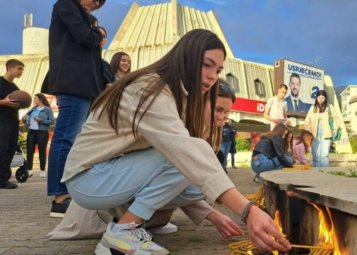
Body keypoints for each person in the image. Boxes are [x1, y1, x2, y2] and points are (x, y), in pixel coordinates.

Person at [59, 29, 290, 255]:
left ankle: (134, 224)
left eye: (218, 70)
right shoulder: (150, 89)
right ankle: (121, 235)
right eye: (206, 65)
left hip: (108, 176)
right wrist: (248, 210)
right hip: (88, 180)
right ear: (186, 57)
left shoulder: (177, 95)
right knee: (187, 156)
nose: (212, 77)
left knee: (195, 176)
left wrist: (214, 214)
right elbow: (186, 154)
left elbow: (191, 171)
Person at [48, 77, 241, 241]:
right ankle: (124, 229)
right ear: (200, 101)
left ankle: (144, 221)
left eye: (226, 113)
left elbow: (179, 182)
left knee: (198, 176)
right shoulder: (169, 115)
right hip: (101, 205)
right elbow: (177, 167)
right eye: (218, 110)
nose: (222, 118)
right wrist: (242, 210)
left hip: (120, 192)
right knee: (188, 161)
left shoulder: (203, 130)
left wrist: (214, 215)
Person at [47, 0, 106, 217]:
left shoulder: (82, 15)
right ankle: (60, 196)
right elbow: (84, 37)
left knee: (74, 140)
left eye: (100, 3)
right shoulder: (66, 4)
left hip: (84, 85)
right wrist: (97, 33)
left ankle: (68, 192)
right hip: (73, 83)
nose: (96, 3)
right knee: (65, 139)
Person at [0, 59, 25, 189]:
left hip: (13, 122)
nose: (21, 72)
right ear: (10, 68)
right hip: (2, 122)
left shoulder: (15, 88)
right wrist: (3, 102)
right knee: (2, 149)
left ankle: (4, 179)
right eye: (19, 69)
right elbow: (5, 102)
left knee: (10, 150)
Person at [22, 94, 55, 178]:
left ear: (40, 100)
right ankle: (29, 170)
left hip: (42, 132)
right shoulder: (33, 109)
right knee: (29, 151)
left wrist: (41, 120)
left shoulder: (47, 109)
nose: (34, 100)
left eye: (35, 99)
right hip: (31, 132)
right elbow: (27, 119)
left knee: (41, 152)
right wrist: (24, 120)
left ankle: (42, 170)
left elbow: (52, 121)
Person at [304, 90, 338, 167]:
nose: (321, 99)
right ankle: (317, 173)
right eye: (319, 97)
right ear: (316, 98)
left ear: (325, 98)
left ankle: (325, 172)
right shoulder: (313, 107)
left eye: (323, 98)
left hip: (326, 132)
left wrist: (335, 129)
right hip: (314, 133)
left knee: (324, 154)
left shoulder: (329, 107)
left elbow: (336, 118)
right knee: (315, 155)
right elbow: (307, 120)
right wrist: (308, 130)